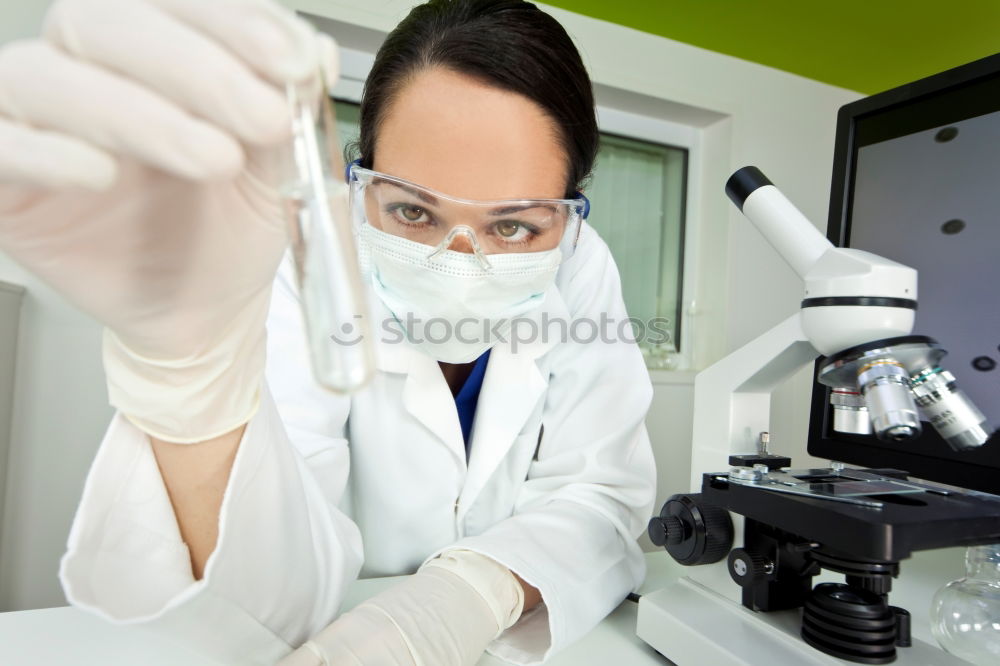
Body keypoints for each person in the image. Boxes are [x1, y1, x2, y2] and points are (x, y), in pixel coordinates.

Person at [0, 0, 656, 664]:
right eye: (411, 210)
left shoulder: (579, 264)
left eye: (513, 226)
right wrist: (188, 373)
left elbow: (600, 495)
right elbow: (265, 595)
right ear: (359, 179)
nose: (461, 266)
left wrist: (471, 596)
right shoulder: (300, 255)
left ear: (569, 216)